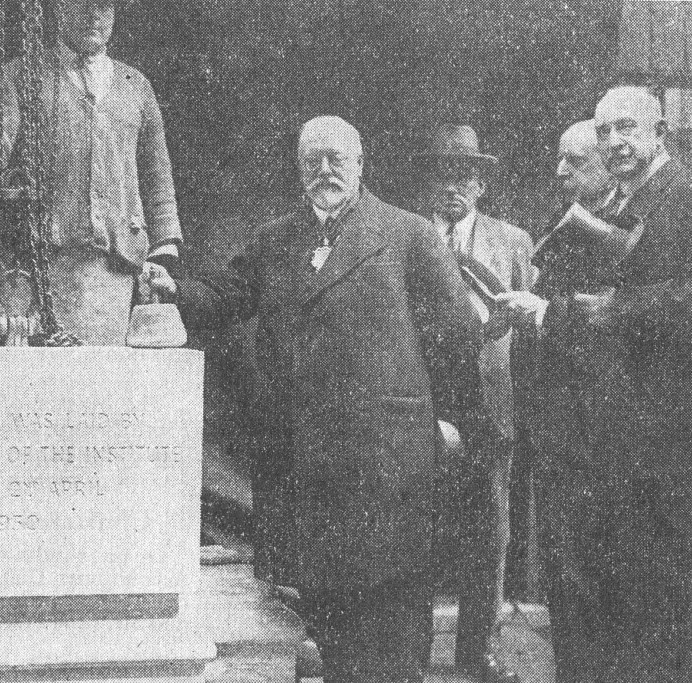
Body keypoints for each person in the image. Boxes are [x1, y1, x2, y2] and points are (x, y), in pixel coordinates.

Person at [144, 115, 504, 683]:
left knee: (393, 630)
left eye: (337, 157)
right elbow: (225, 297)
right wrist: (173, 290)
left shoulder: (408, 234)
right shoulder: (276, 239)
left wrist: (456, 424)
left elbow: (456, 335)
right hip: (311, 470)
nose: (325, 169)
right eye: (312, 159)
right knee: (331, 633)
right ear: (299, 169)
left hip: (390, 463)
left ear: (361, 165)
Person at [501, 85, 692, 683]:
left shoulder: (679, 196)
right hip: (618, 446)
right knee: (617, 613)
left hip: (659, 448)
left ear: (659, 131)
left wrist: (562, 314)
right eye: (606, 131)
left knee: (651, 615)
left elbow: (679, 304)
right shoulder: (634, 200)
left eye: (628, 129)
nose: (616, 143)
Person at [0, 0, 182, 344]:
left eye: (104, 7)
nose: (94, 16)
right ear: (60, 10)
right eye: (82, 5)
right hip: (45, 268)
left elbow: (157, 176)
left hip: (116, 272)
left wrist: (163, 252)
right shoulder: (21, 76)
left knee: (106, 384)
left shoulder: (135, 86)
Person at [497, 119, 613, 683]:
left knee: (589, 577)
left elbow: (606, 329)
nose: (560, 172)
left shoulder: (617, 232)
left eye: (574, 161)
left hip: (595, 433)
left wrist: (539, 311)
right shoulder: (569, 225)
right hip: (558, 429)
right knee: (566, 575)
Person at [416, 124, 533, 683]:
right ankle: (406, 645)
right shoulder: (409, 237)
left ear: (481, 184)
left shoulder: (512, 242)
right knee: (414, 523)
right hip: (423, 399)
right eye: (442, 173)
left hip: (490, 403)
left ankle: (477, 649)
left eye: (464, 175)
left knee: (490, 532)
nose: (453, 186)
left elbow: (531, 328)